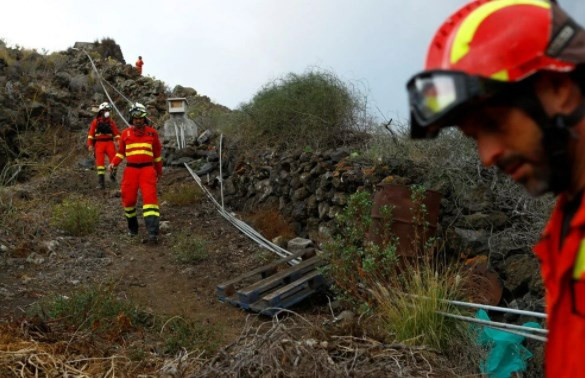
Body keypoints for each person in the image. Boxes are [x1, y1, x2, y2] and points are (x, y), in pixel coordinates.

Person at [406, 0, 585, 376]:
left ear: (558, 87)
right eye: (474, 137)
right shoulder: (564, 229)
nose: (487, 155)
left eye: (494, 122)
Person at [108, 103, 162, 244]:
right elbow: (121, 153)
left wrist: (159, 171)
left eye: (141, 118)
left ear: (145, 118)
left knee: (150, 201)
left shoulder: (152, 133)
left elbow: (157, 155)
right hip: (131, 171)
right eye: (135, 118)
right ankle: (133, 230)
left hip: (147, 170)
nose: (138, 121)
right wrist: (113, 163)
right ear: (131, 119)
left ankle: (152, 234)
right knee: (129, 201)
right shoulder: (125, 133)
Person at [87, 102, 121, 189]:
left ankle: (113, 177)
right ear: (101, 111)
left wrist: (118, 141)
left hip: (109, 143)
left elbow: (116, 133)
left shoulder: (111, 122)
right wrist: (90, 144)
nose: (108, 112)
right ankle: (101, 183)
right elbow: (91, 134)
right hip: (99, 143)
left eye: (108, 110)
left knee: (113, 160)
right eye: (106, 110)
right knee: (100, 163)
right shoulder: (96, 122)